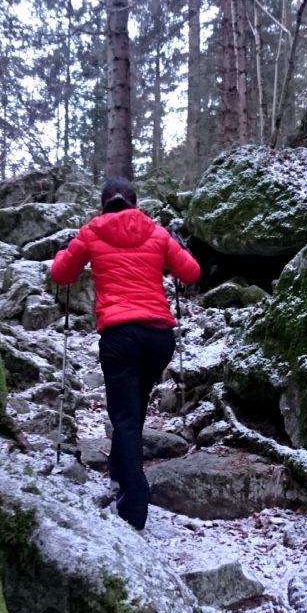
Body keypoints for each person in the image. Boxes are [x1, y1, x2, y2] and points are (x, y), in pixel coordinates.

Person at [50, 177, 201, 531]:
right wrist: (177, 246)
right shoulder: (156, 231)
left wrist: (62, 250)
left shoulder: (91, 232)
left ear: (104, 205)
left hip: (120, 336)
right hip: (158, 337)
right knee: (133, 407)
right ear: (135, 203)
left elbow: (61, 274)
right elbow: (191, 273)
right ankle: (120, 468)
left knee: (126, 417)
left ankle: (134, 503)